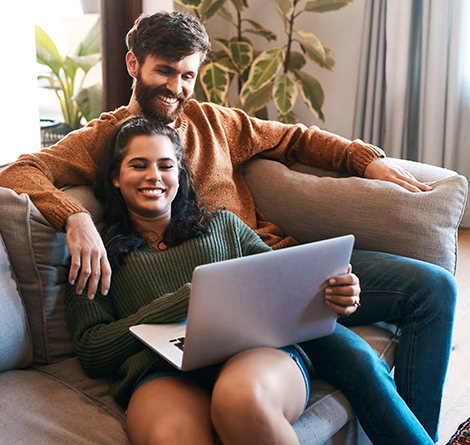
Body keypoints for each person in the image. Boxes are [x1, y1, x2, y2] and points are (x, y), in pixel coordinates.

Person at [0, 10, 456, 443]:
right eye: (165, 71)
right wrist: (75, 217)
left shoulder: (214, 122)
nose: (176, 87)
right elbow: (17, 173)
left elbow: (293, 138)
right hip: (210, 325)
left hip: (273, 272)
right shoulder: (104, 140)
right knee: (353, 359)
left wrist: (364, 161)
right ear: (133, 64)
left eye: (187, 75)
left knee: (431, 290)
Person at [65, 116, 434, 445]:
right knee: (170, 436)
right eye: (138, 165)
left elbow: (287, 289)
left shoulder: (222, 225)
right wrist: (183, 302)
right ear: (116, 176)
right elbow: (93, 351)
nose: (154, 176)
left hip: (254, 355)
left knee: (244, 403)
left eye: (166, 165)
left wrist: (340, 297)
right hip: (160, 373)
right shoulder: (97, 253)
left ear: (180, 173)